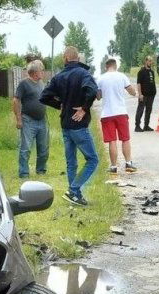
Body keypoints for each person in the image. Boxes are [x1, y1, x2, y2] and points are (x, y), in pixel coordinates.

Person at [40, 46, 99, 206]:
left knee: (71, 162)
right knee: (93, 159)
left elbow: (44, 97)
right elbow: (93, 91)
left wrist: (59, 104)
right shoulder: (83, 74)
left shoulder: (58, 76)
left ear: (65, 58)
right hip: (78, 126)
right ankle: (73, 189)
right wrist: (84, 108)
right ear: (77, 59)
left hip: (65, 124)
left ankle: (75, 195)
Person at [96, 58, 137, 174]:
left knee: (112, 140)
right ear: (116, 66)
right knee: (125, 139)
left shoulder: (101, 78)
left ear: (106, 67)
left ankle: (113, 166)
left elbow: (98, 96)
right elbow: (131, 91)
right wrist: (135, 93)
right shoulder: (122, 76)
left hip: (107, 114)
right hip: (121, 112)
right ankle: (128, 163)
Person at [14, 59, 49, 178]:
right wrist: (18, 119)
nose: (43, 72)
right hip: (28, 120)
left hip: (42, 120)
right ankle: (24, 173)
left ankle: (41, 170)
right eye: (42, 70)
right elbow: (16, 100)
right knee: (26, 148)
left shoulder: (41, 83)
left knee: (43, 148)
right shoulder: (24, 84)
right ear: (35, 72)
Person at [135, 56, 157, 132]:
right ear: (146, 61)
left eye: (151, 61)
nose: (151, 62)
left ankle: (146, 126)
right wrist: (140, 94)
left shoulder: (152, 71)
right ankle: (137, 126)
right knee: (140, 110)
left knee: (148, 110)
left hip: (151, 95)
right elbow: (138, 84)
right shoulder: (141, 72)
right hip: (143, 95)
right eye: (149, 61)